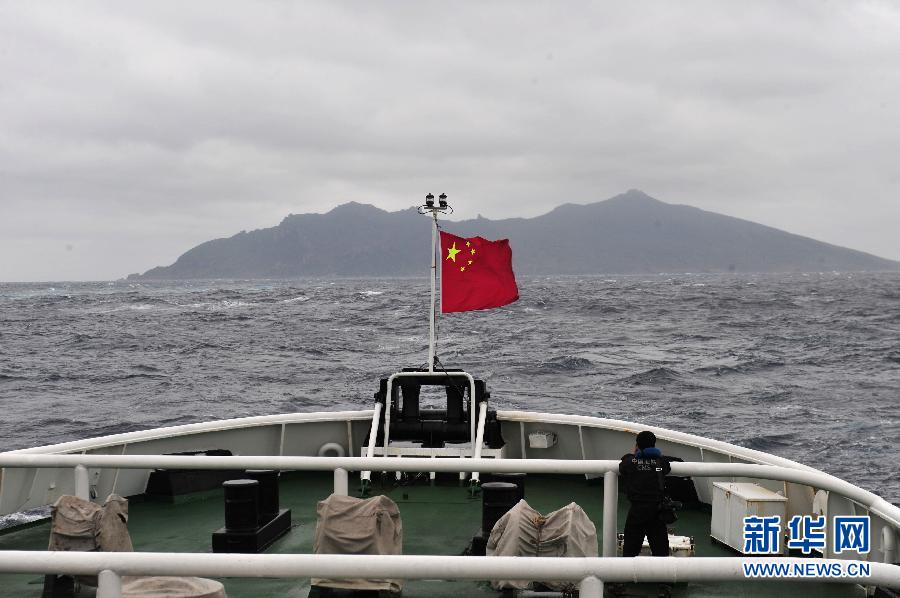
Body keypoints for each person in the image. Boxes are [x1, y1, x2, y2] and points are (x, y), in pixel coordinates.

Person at [609, 430, 673, 598]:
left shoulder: (632, 462)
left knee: (630, 547)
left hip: (637, 511)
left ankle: (620, 584)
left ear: (637, 446)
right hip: (656, 512)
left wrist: (633, 455)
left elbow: (624, 466)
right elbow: (664, 467)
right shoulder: (659, 462)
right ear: (654, 445)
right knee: (660, 549)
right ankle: (664, 587)